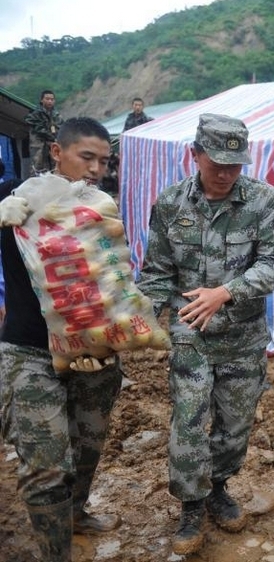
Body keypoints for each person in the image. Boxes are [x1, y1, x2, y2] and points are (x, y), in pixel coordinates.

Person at [138, 113, 274, 556]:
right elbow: (157, 273)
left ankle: (218, 486)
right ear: (195, 154)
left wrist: (226, 292)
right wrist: (138, 324)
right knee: (188, 421)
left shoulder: (262, 200)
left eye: (235, 164)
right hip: (191, 335)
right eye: (216, 162)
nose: (225, 174)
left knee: (235, 426)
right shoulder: (169, 204)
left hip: (243, 335)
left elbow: (273, 265)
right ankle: (191, 504)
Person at [0, 117, 123, 562]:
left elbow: (113, 281)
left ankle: (76, 512)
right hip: (29, 351)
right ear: (57, 152)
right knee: (47, 466)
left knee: (87, 445)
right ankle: (56, 554)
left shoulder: (100, 206)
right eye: (86, 157)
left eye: (104, 161)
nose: (95, 169)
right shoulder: (17, 196)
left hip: (90, 349)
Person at [24, 89, 64, 176]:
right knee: (37, 168)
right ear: (42, 100)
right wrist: (51, 136)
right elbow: (34, 125)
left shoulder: (56, 115)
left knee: (55, 167)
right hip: (39, 146)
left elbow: (61, 127)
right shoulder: (35, 113)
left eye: (52, 99)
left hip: (52, 145)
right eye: (47, 99)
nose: (50, 101)